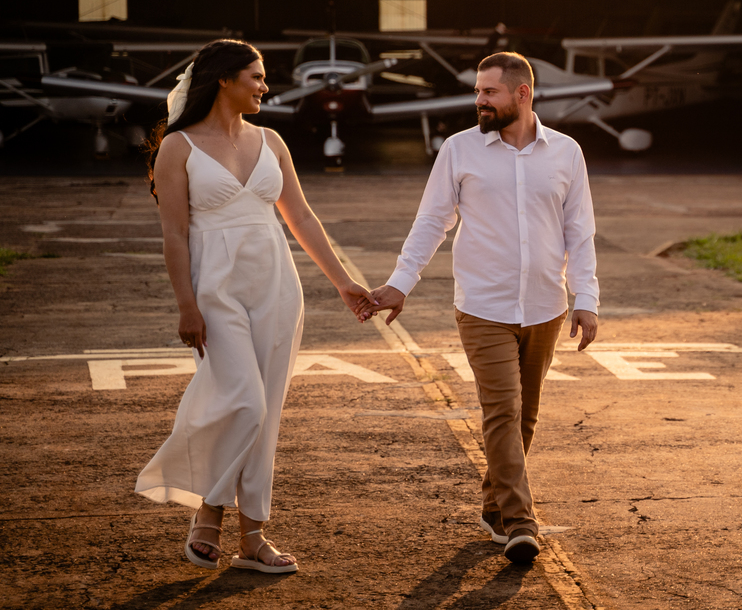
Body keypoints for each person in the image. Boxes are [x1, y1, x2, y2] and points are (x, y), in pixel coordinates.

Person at [136, 39, 374, 573]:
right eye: (257, 77)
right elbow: (174, 234)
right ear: (224, 79)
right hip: (213, 290)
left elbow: (301, 217)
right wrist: (186, 305)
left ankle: (252, 536)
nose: (266, 87)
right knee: (245, 403)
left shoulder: (271, 140)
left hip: (276, 285)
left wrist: (343, 283)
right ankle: (208, 512)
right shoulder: (178, 147)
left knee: (266, 414)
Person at [360, 51, 599, 564]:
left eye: (489, 92)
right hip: (483, 307)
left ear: (522, 93)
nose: (479, 101)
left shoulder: (566, 152)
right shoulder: (459, 149)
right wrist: (401, 283)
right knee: (502, 411)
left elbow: (579, 230)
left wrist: (587, 298)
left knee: (525, 417)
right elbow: (432, 221)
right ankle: (520, 522)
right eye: (477, 92)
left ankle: (494, 506)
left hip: (546, 306)